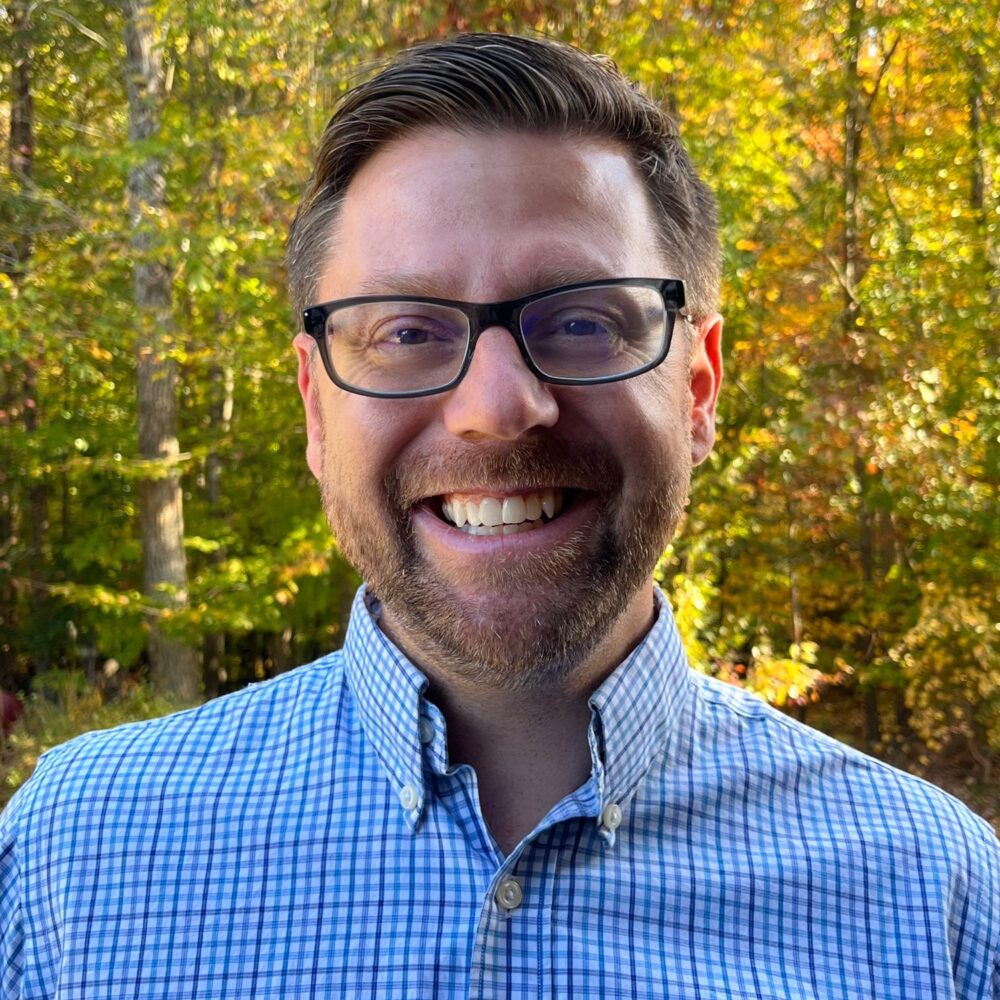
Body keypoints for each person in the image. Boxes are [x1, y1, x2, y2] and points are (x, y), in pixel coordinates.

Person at [1, 32, 997, 1000]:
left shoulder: (936, 902)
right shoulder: (74, 866)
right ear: (314, 408)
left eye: (583, 320)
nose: (497, 407)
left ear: (696, 389)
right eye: (406, 331)